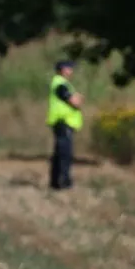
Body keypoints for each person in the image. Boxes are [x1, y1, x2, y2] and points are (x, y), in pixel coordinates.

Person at [47, 60, 83, 190]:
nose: (71, 71)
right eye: (69, 68)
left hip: (61, 122)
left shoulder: (60, 83)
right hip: (63, 122)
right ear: (62, 69)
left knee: (59, 153)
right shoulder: (61, 84)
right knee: (64, 154)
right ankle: (64, 182)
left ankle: (55, 182)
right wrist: (78, 99)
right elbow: (74, 102)